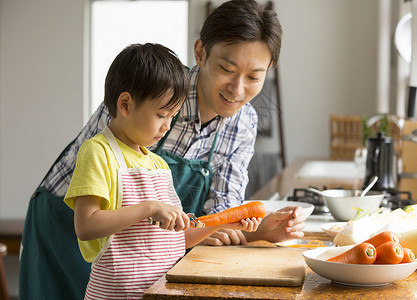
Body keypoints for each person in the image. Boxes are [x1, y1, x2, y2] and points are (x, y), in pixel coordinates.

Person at [19, 0, 306, 299]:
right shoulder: (153, 87)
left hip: (138, 247)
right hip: (66, 222)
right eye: (226, 68)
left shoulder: (244, 123)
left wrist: (256, 229)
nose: (237, 88)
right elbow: (99, 162)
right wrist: (148, 210)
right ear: (200, 52)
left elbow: (216, 215)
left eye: (254, 77)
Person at [63, 43, 261, 299]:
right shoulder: (98, 152)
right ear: (125, 104)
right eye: (161, 115)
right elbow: (86, 225)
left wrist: (227, 221)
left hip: (158, 293)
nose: (167, 126)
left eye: (173, 116)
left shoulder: (158, 164)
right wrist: (149, 208)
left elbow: (177, 238)